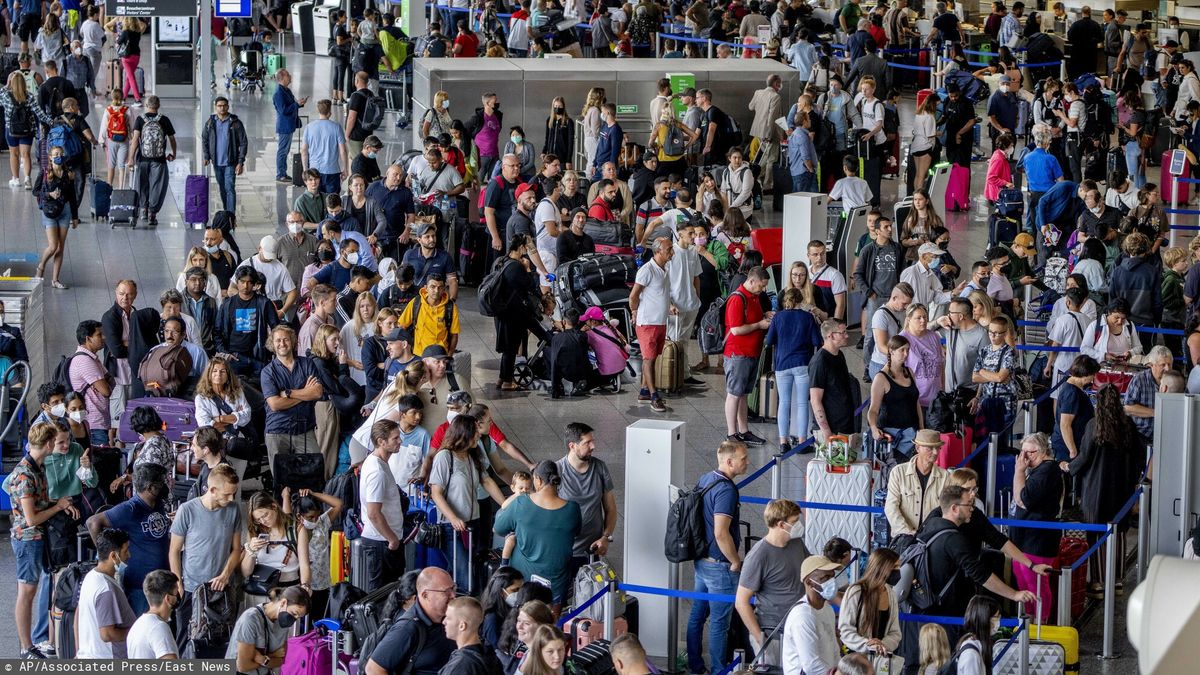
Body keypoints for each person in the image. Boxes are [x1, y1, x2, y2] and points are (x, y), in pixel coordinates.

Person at [8, 423, 77, 658]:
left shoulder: (37, 467)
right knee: (26, 592)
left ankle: (31, 644)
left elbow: (40, 505)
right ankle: (26, 646)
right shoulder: (25, 475)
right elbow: (30, 519)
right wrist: (57, 506)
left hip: (38, 538)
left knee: (33, 590)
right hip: (27, 539)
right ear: (48, 444)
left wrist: (60, 505)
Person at [1067, 385, 1142, 598]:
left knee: (1096, 533)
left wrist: (1068, 467)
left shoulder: (1094, 425)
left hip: (1096, 490)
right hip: (1123, 489)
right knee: (1119, 532)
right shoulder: (1127, 425)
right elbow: (1139, 455)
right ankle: (1117, 580)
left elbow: (1084, 457)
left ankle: (1098, 582)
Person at [686, 440, 749, 675]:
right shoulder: (725, 490)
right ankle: (719, 671)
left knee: (697, 616)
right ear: (729, 461)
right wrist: (735, 560)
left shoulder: (706, 479)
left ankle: (695, 665)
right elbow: (721, 533)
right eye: (743, 458)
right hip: (719, 566)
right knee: (719, 625)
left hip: (702, 560)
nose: (747, 462)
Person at [168, 464, 242, 651]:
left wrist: (225, 575)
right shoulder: (187, 510)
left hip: (220, 590)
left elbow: (236, 549)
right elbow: (174, 550)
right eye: (227, 494)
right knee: (186, 642)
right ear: (212, 489)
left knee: (219, 642)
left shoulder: (233, 510)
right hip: (191, 588)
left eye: (234, 493)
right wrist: (178, 584)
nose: (231, 498)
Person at [86, 462, 170, 615]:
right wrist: (106, 555)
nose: (165, 485)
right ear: (150, 488)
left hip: (161, 582)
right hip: (139, 586)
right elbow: (93, 522)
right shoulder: (131, 508)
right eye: (161, 482)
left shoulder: (157, 503)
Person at [734, 499, 809, 665]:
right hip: (773, 634)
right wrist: (760, 639)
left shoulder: (796, 543)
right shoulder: (758, 556)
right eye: (795, 522)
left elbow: (809, 571)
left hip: (798, 627)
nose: (799, 525)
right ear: (781, 524)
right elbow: (741, 602)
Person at [1010, 432, 1064, 621]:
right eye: (1022, 452)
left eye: (1029, 453)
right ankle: (1030, 619)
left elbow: (1022, 499)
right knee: (1023, 579)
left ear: (1042, 452)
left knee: (1036, 583)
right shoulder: (1037, 470)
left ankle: (1042, 622)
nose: (1023, 458)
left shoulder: (1047, 471)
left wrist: (1018, 472)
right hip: (1025, 538)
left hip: (1038, 539)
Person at [765, 288, 822, 449]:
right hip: (803, 363)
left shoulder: (778, 317)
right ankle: (802, 441)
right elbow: (817, 341)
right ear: (801, 300)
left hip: (782, 364)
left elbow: (769, 341)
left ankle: (783, 442)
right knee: (803, 403)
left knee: (784, 403)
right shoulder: (807, 317)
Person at [261, 325, 323, 469]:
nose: (282, 344)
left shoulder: (307, 363)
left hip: (304, 429)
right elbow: (275, 404)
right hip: (277, 431)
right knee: (282, 483)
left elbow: (317, 392)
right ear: (272, 344)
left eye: (286, 339)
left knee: (313, 473)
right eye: (278, 340)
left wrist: (289, 393)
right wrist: (305, 393)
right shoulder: (267, 372)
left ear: (292, 341)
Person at [358, 420, 409, 592]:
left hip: (384, 539)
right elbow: (374, 513)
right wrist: (392, 540)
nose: (400, 441)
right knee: (381, 594)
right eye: (395, 438)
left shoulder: (377, 462)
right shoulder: (377, 471)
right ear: (381, 441)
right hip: (381, 542)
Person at [724, 266, 772, 443]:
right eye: (761, 285)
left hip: (751, 353)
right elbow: (736, 329)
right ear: (752, 281)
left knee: (743, 393)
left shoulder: (754, 297)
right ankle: (731, 433)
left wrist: (765, 314)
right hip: (738, 354)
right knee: (734, 393)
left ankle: (744, 430)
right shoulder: (737, 299)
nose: (763, 289)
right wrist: (759, 325)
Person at [76, 528, 136, 658]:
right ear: (113, 556)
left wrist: (79, 650)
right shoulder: (105, 589)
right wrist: (136, 631)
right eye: (125, 551)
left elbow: (77, 615)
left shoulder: (91, 577)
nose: (129, 555)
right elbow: (107, 634)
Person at [780, 555, 844, 675]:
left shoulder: (827, 609)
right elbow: (811, 666)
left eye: (832, 577)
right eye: (825, 578)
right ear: (809, 582)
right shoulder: (802, 616)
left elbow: (834, 650)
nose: (832, 582)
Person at [226, 586, 311, 675]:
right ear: (283, 602)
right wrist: (271, 656)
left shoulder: (283, 622)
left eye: (298, 618)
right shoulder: (251, 619)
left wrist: (262, 659)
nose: (294, 619)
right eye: (294, 614)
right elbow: (243, 666)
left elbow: (281, 660)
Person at [838, 548, 902, 664]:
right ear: (882, 568)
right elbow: (846, 630)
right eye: (895, 567)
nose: (898, 571)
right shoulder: (856, 592)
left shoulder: (891, 594)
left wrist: (882, 645)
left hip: (880, 661)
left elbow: (895, 632)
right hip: (855, 661)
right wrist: (868, 645)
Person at [127, 96, 178, 226]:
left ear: (146, 105)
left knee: (142, 184)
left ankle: (143, 209)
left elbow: (135, 141)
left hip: (143, 159)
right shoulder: (164, 120)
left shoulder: (140, 119)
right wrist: (173, 153)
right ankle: (152, 213)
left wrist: (131, 159)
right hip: (159, 160)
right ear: (158, 105)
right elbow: (172, 139)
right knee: (157, 186)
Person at [34, 144, 77, 290]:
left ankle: (55, 279)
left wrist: (75, 216)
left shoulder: (68, 174)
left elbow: (72, 196)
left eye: (61, 154)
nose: (59, 156)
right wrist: (49, 195)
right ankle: (41, 267)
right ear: (51, 157)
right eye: (56, 154)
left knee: (61, 247)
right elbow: (36, 191)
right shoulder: (45, 172)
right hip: (49, 212)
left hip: (64, 212)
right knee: (53, 246)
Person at [810, 318, 859, 441]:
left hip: (845, 424)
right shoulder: (820, 362)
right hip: (832, 429)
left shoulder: (839, 355)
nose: (847, 335)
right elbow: (815, 400)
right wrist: (826, 432)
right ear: (830, 336)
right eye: (842, 333)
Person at [68, 319, 114, 447]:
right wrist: (104, 383)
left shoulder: (92, 358)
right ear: (88, 339)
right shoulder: (84, 361)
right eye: (99, 335)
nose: (104, 338)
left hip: (97, 421)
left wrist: (102, 383)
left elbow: (110, 379)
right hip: (94, 423)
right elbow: (106, 390)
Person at [201, 96, 248, 214]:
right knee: (222, 188)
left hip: (230, 162)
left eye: (224, 106)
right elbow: (205, 139)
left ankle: (231, 216)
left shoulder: (235, 123)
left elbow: (243, 142)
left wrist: (240, 162)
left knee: (229, 188)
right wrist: (206, 156)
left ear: (228, 107)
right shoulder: (210, 123)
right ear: (215, 107)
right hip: (216, 162)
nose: (222, 108)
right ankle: (227, 213)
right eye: (219, 106)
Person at [1050, 355, 1100, 461]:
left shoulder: (1073, 388)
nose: (1093, 378)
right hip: (1067, 448)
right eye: (1092, 375)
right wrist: (1073, 451)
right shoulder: (1072, 393)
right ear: (1085, 373)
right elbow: (1065, 425)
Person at [440, 596, 504, 674]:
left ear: (462, 626)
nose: (444, 621)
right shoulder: (491, 656)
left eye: (448, 618)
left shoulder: (460, 666)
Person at [125, 570, 181, 659]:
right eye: (176, 594)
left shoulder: (138, 625)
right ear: (168, 598)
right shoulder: (159, 628)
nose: (178, 598)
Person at [302, 99, 349, 195]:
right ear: (330, 112)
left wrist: (305, 169)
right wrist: (345, 168)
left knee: (316, 200)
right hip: (332, 171)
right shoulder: (336, 127)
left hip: (314, 171)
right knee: (332, 201)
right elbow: (343, 151)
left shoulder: (309, 127)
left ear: (318, 110)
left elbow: (304, 151)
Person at [951, 595, 1001, 674]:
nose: (998, 621)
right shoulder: (971, 654)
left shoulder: (975, 643)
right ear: (984, 618)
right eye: (996, 617)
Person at [272, 69, 306, 183]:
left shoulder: (286, 90)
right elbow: (283, 110)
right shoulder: (279, 93)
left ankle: (283, 173)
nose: (290, 76)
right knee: (283, 150)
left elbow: (291, 105)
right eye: (288, 75)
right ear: (282, 78)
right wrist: (296, 104)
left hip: (290, 124)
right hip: (284, 126)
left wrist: (299, 104)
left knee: (285, 150)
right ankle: (280, 174)